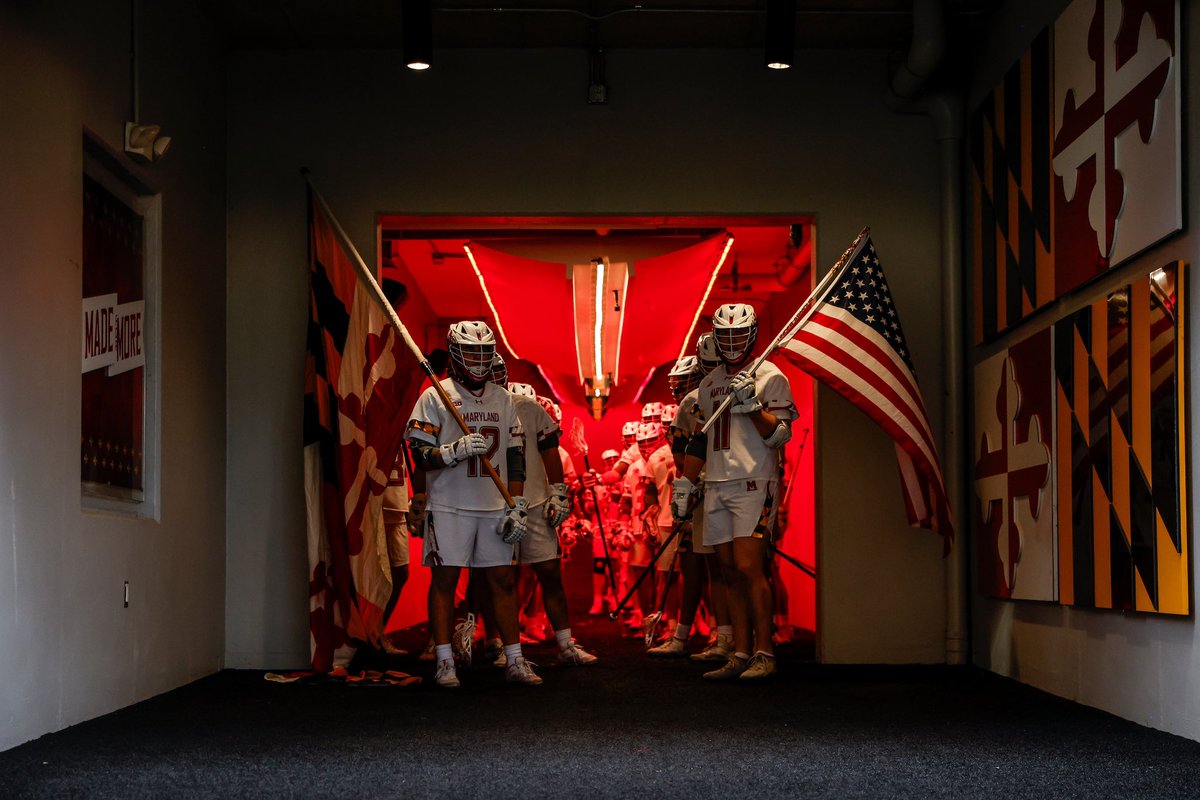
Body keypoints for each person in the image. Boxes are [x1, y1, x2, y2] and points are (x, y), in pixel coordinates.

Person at [406, 320, 541, 688]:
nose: (479, 360)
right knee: (446, 580)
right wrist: (452, 452)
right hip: (449, 503)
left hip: (493, 502)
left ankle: (514, 658)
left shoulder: (501, 397)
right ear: (454, 353)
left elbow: (515, 453)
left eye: (484, 352)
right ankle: (445, 660)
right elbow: (418, 451)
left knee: (502, 580)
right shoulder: (435, 394)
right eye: (471, 352)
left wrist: (516, 501)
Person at [672, 304, 796, 682]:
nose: (731, 343)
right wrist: (686, 484)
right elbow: (700, 439)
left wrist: (754, 407)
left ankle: (765, 651)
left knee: (748, 566)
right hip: (717, 483)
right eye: (725, 336)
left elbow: (780, 435)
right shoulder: (707, 386)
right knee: (726, 571)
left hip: (753, 482)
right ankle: (740, 652)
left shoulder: (770, 376)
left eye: (738, 335)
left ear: (753, 335)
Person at [503, 382, 597, 666]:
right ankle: (500, 642)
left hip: (537, 505)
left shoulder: (542, 428)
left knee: (548, 574)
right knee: (501, 577)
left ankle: (564, 641)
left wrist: (560, 495)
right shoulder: (494, 413)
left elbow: (558, 468)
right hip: (501, 503)